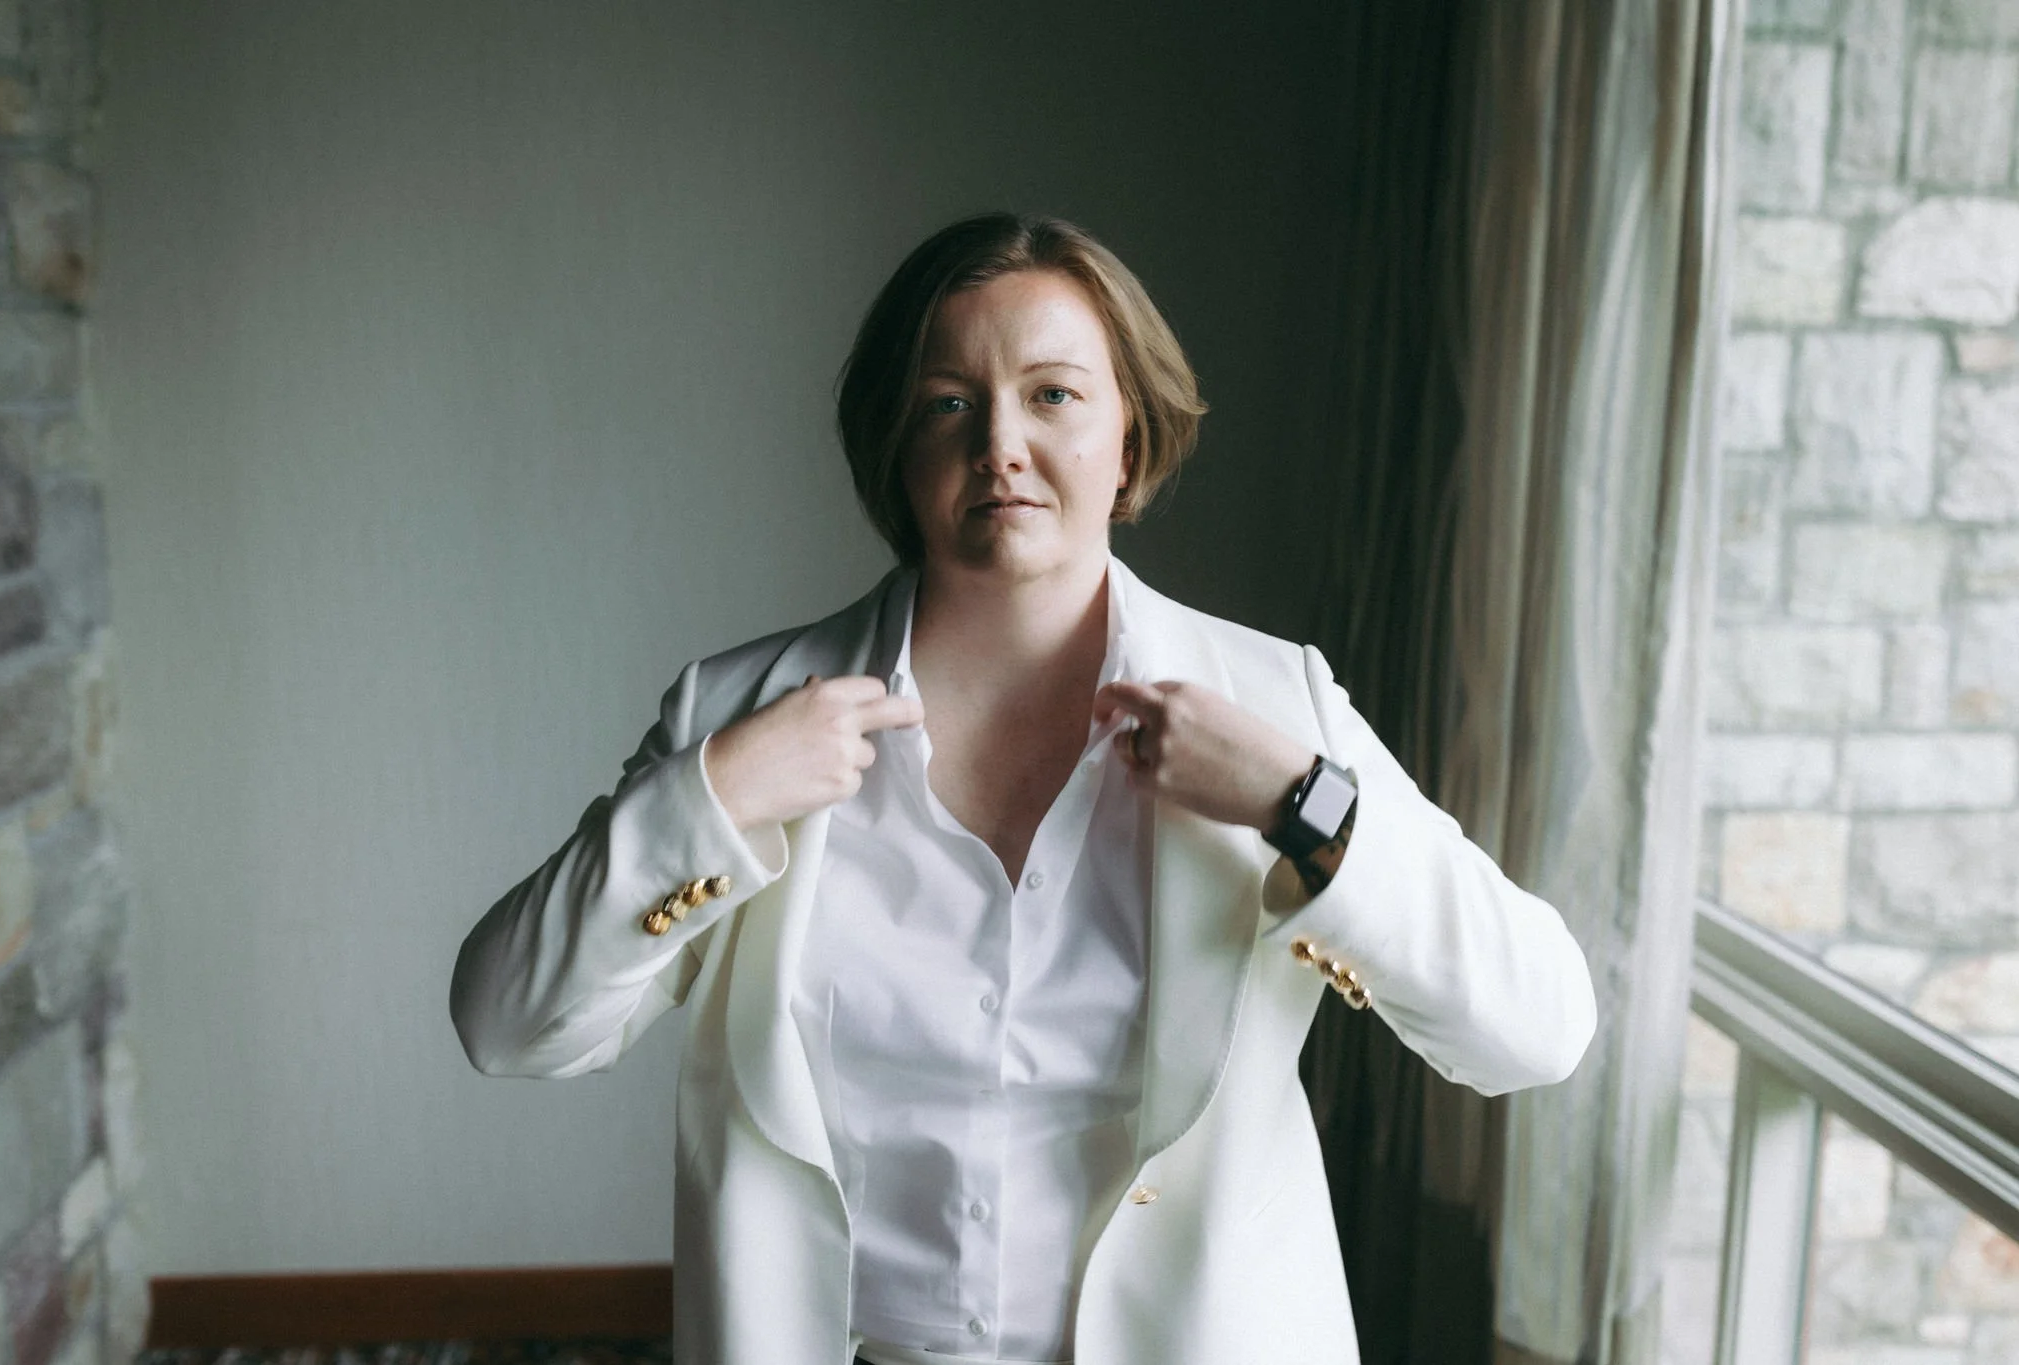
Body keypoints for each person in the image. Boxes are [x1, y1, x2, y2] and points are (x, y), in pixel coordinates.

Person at [449, 212, 1596, 1365]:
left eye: (1051, 395)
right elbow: (507, 1026)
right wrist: (712, 799)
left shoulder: (1274, 704)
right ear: (895, 450)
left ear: (1129, 448)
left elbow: (1535, 1028)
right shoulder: (740, 715)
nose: (999, 441)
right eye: (949, 402)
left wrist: (1302, 802)